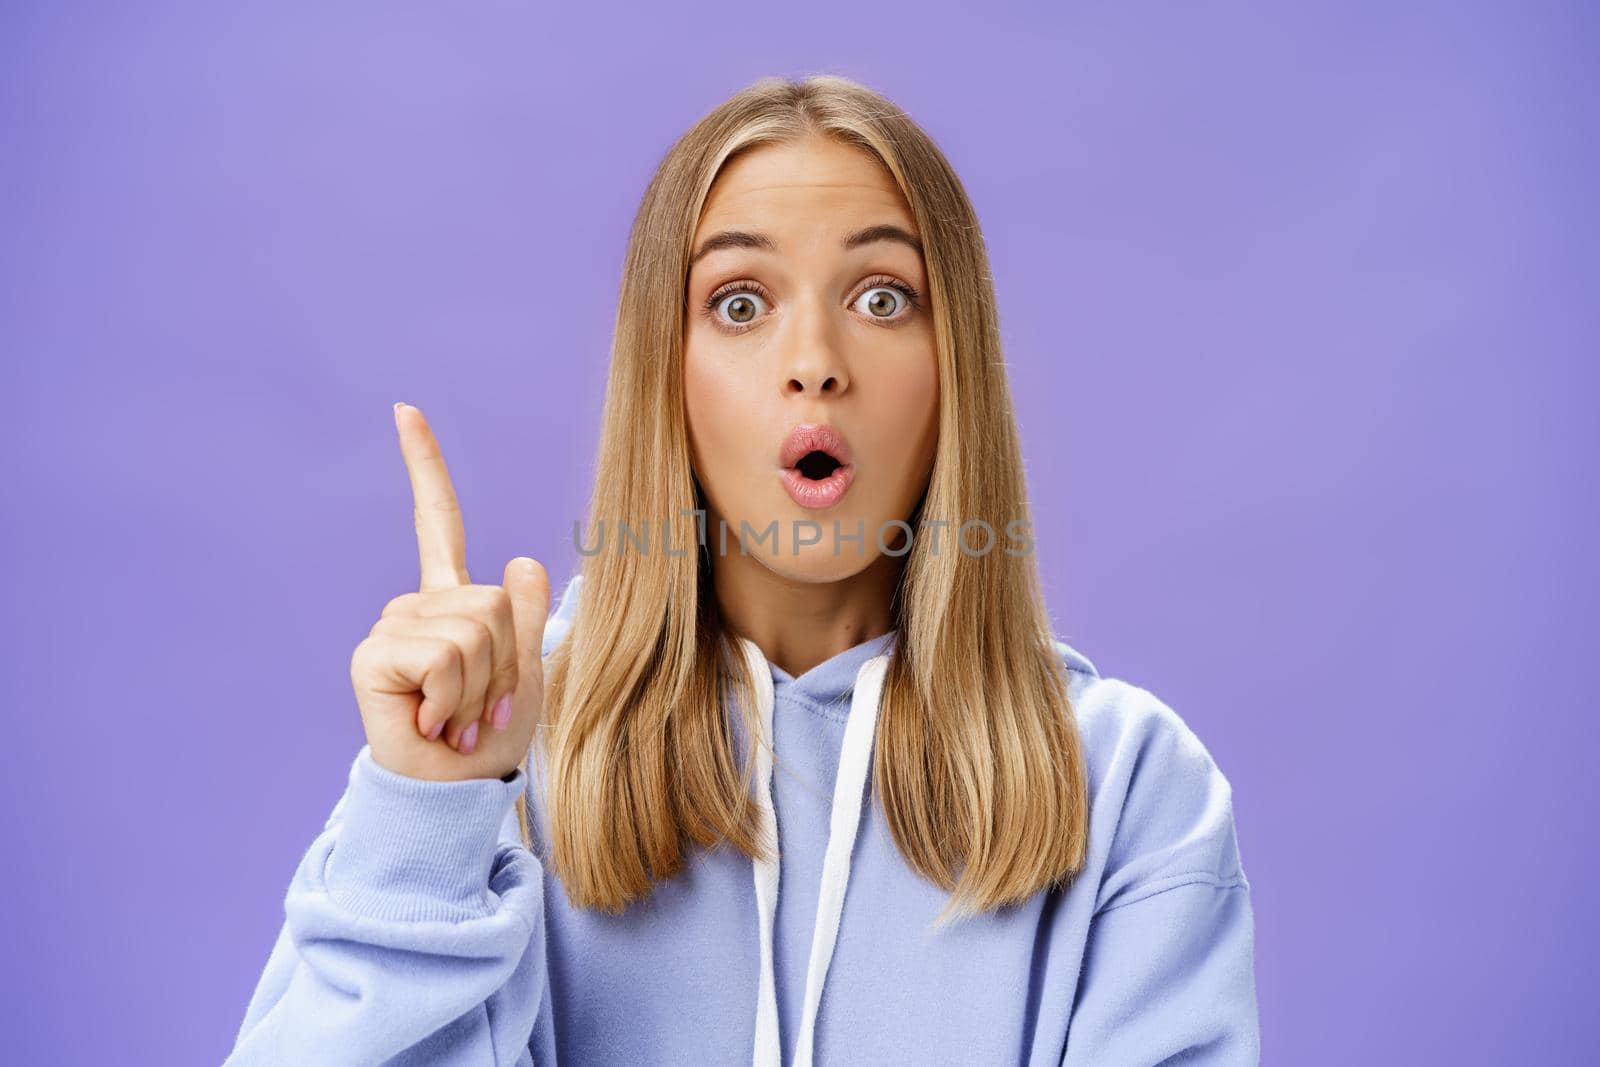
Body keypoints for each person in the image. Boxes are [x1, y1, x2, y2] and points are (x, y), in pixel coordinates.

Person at [226, 74, 1259, 1066]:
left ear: (958, 372)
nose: (813, 358)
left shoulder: (1127, 787)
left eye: (883, 295)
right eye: (737, 303)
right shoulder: (501, 750)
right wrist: (427, 821)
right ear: (664, 376)